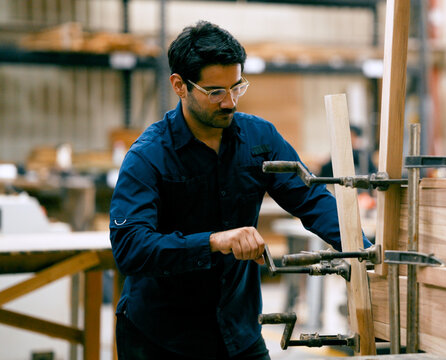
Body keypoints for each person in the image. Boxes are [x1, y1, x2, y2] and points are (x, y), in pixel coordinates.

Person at [109, 21, 371, 359]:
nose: (230, 102)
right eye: (215, 92)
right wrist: (213, 241)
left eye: (237, 87)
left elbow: (310, 198)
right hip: (163, 337)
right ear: (179, 86)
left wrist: (364, 251)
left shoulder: (260, 140)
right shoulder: (148, 156)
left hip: (238, 331)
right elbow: (131, 248)